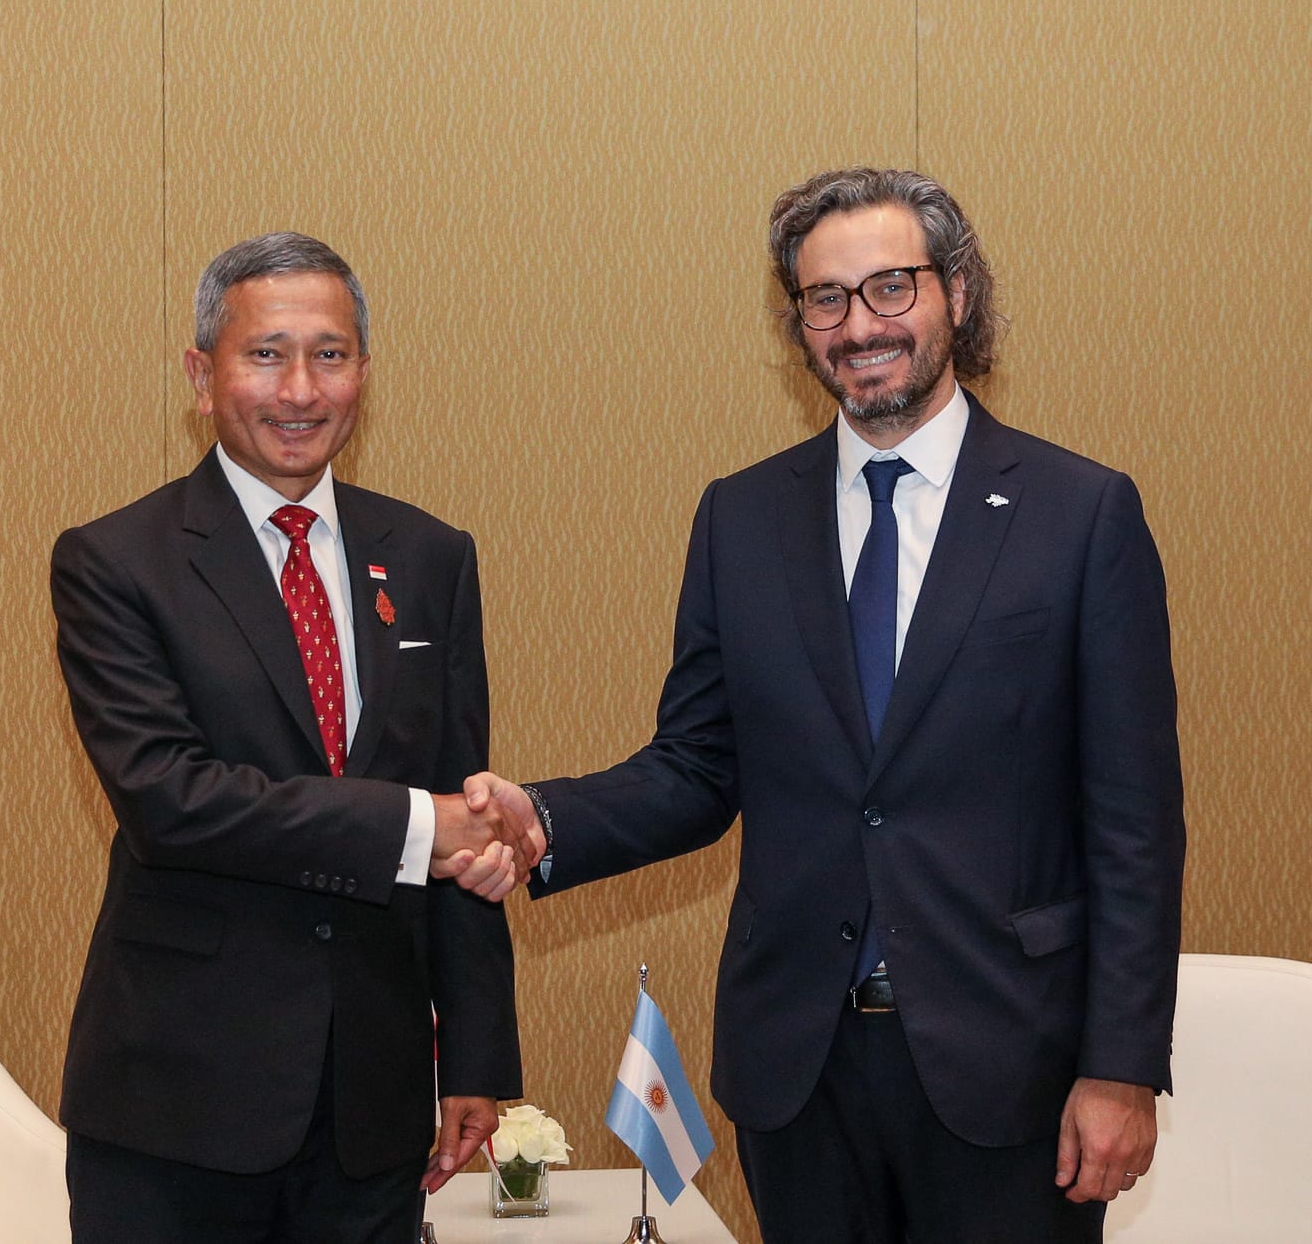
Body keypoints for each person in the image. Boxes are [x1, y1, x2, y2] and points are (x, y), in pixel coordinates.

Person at [469, 168, 1185, 1242]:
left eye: (889, 288)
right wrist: (544, 818)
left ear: (955, 296)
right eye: (824, 298)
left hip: (1008, 1067)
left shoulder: (1079, 515)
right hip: (798, 1068)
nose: (859, 325)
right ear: (797, 320)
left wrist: (1121, 1069)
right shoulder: (740, 518)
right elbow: (697, 767)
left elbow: (1133, 823)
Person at [51, 232, 531, 1242]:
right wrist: (417, 824)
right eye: (265, 354)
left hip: (373, 1102)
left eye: (331, 354)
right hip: (177, 1104)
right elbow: (170, 801)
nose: (301, 389)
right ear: (200, 373)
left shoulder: (431, 556)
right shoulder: (115, 562)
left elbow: (466, 813)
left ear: (363, 369)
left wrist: (479, 1060)